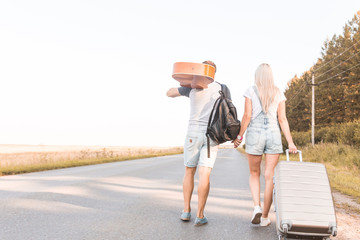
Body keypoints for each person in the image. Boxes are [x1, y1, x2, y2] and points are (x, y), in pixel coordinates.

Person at [233, 63, 297, 227]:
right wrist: (290, 142)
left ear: (257, 76)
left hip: (255, 134)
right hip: (273, 134)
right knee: (269, 177)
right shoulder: (278, 92)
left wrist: (240, 136)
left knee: (254, 174)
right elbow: (282, 119)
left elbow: (247, 116)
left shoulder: (250, 91)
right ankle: (265, 217)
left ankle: (256, 207)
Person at [166, 60, 221, 226]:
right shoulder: (222, 88)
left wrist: (188, 82)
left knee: (189, 172)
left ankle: (186, 210)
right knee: (205, 174)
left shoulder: (191, 87)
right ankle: (200, 214)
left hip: (192, 135)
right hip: (212, 135)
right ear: (213, 73)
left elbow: (169, 92)